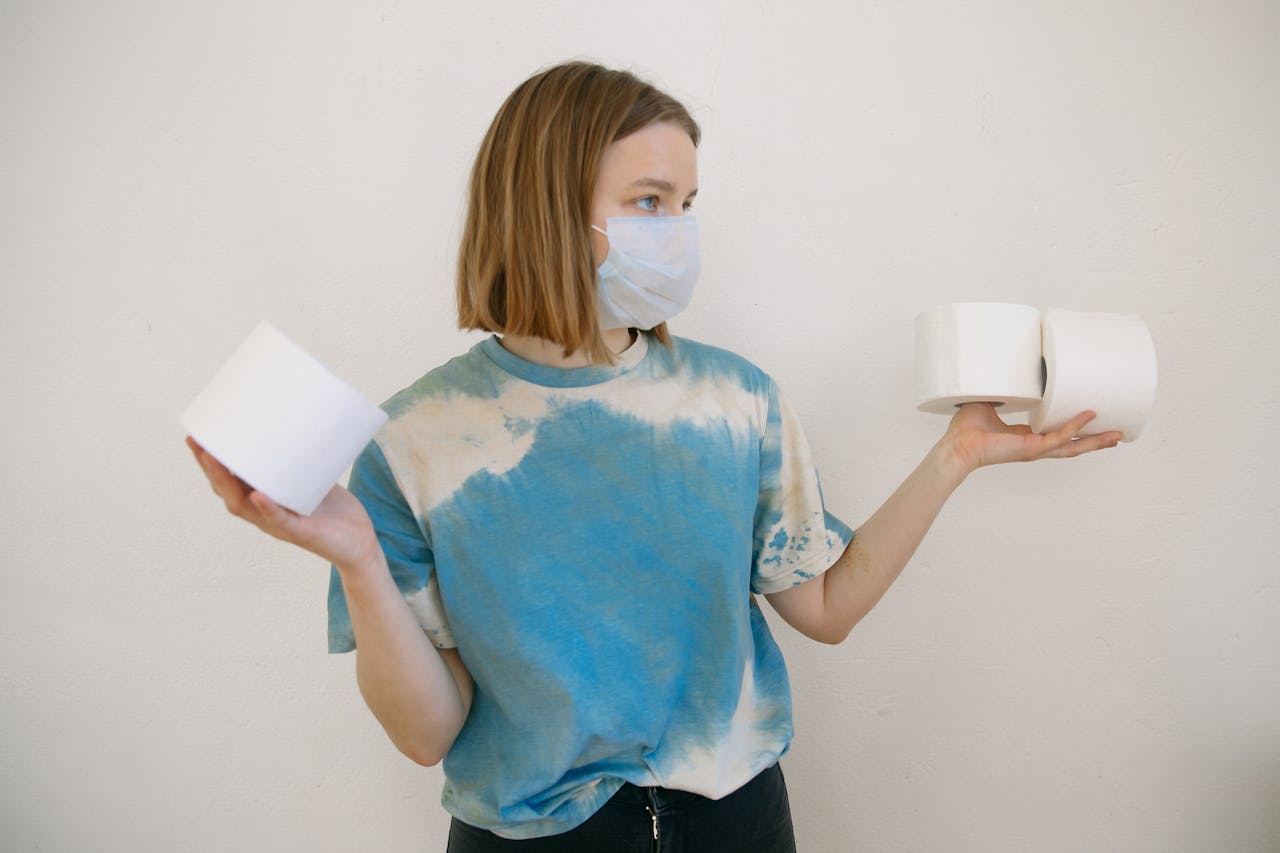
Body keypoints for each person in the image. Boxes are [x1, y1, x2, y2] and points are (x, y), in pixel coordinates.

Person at [187, 60, 1121, 852]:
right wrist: (356, 556)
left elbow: (825, 607)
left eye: (686, 203)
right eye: (648, 201)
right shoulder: (414, 441)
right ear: (549, 210)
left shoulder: (736, 401)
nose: (676, 228)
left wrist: (957, 452)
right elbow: (428, 732)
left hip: (738, 818)